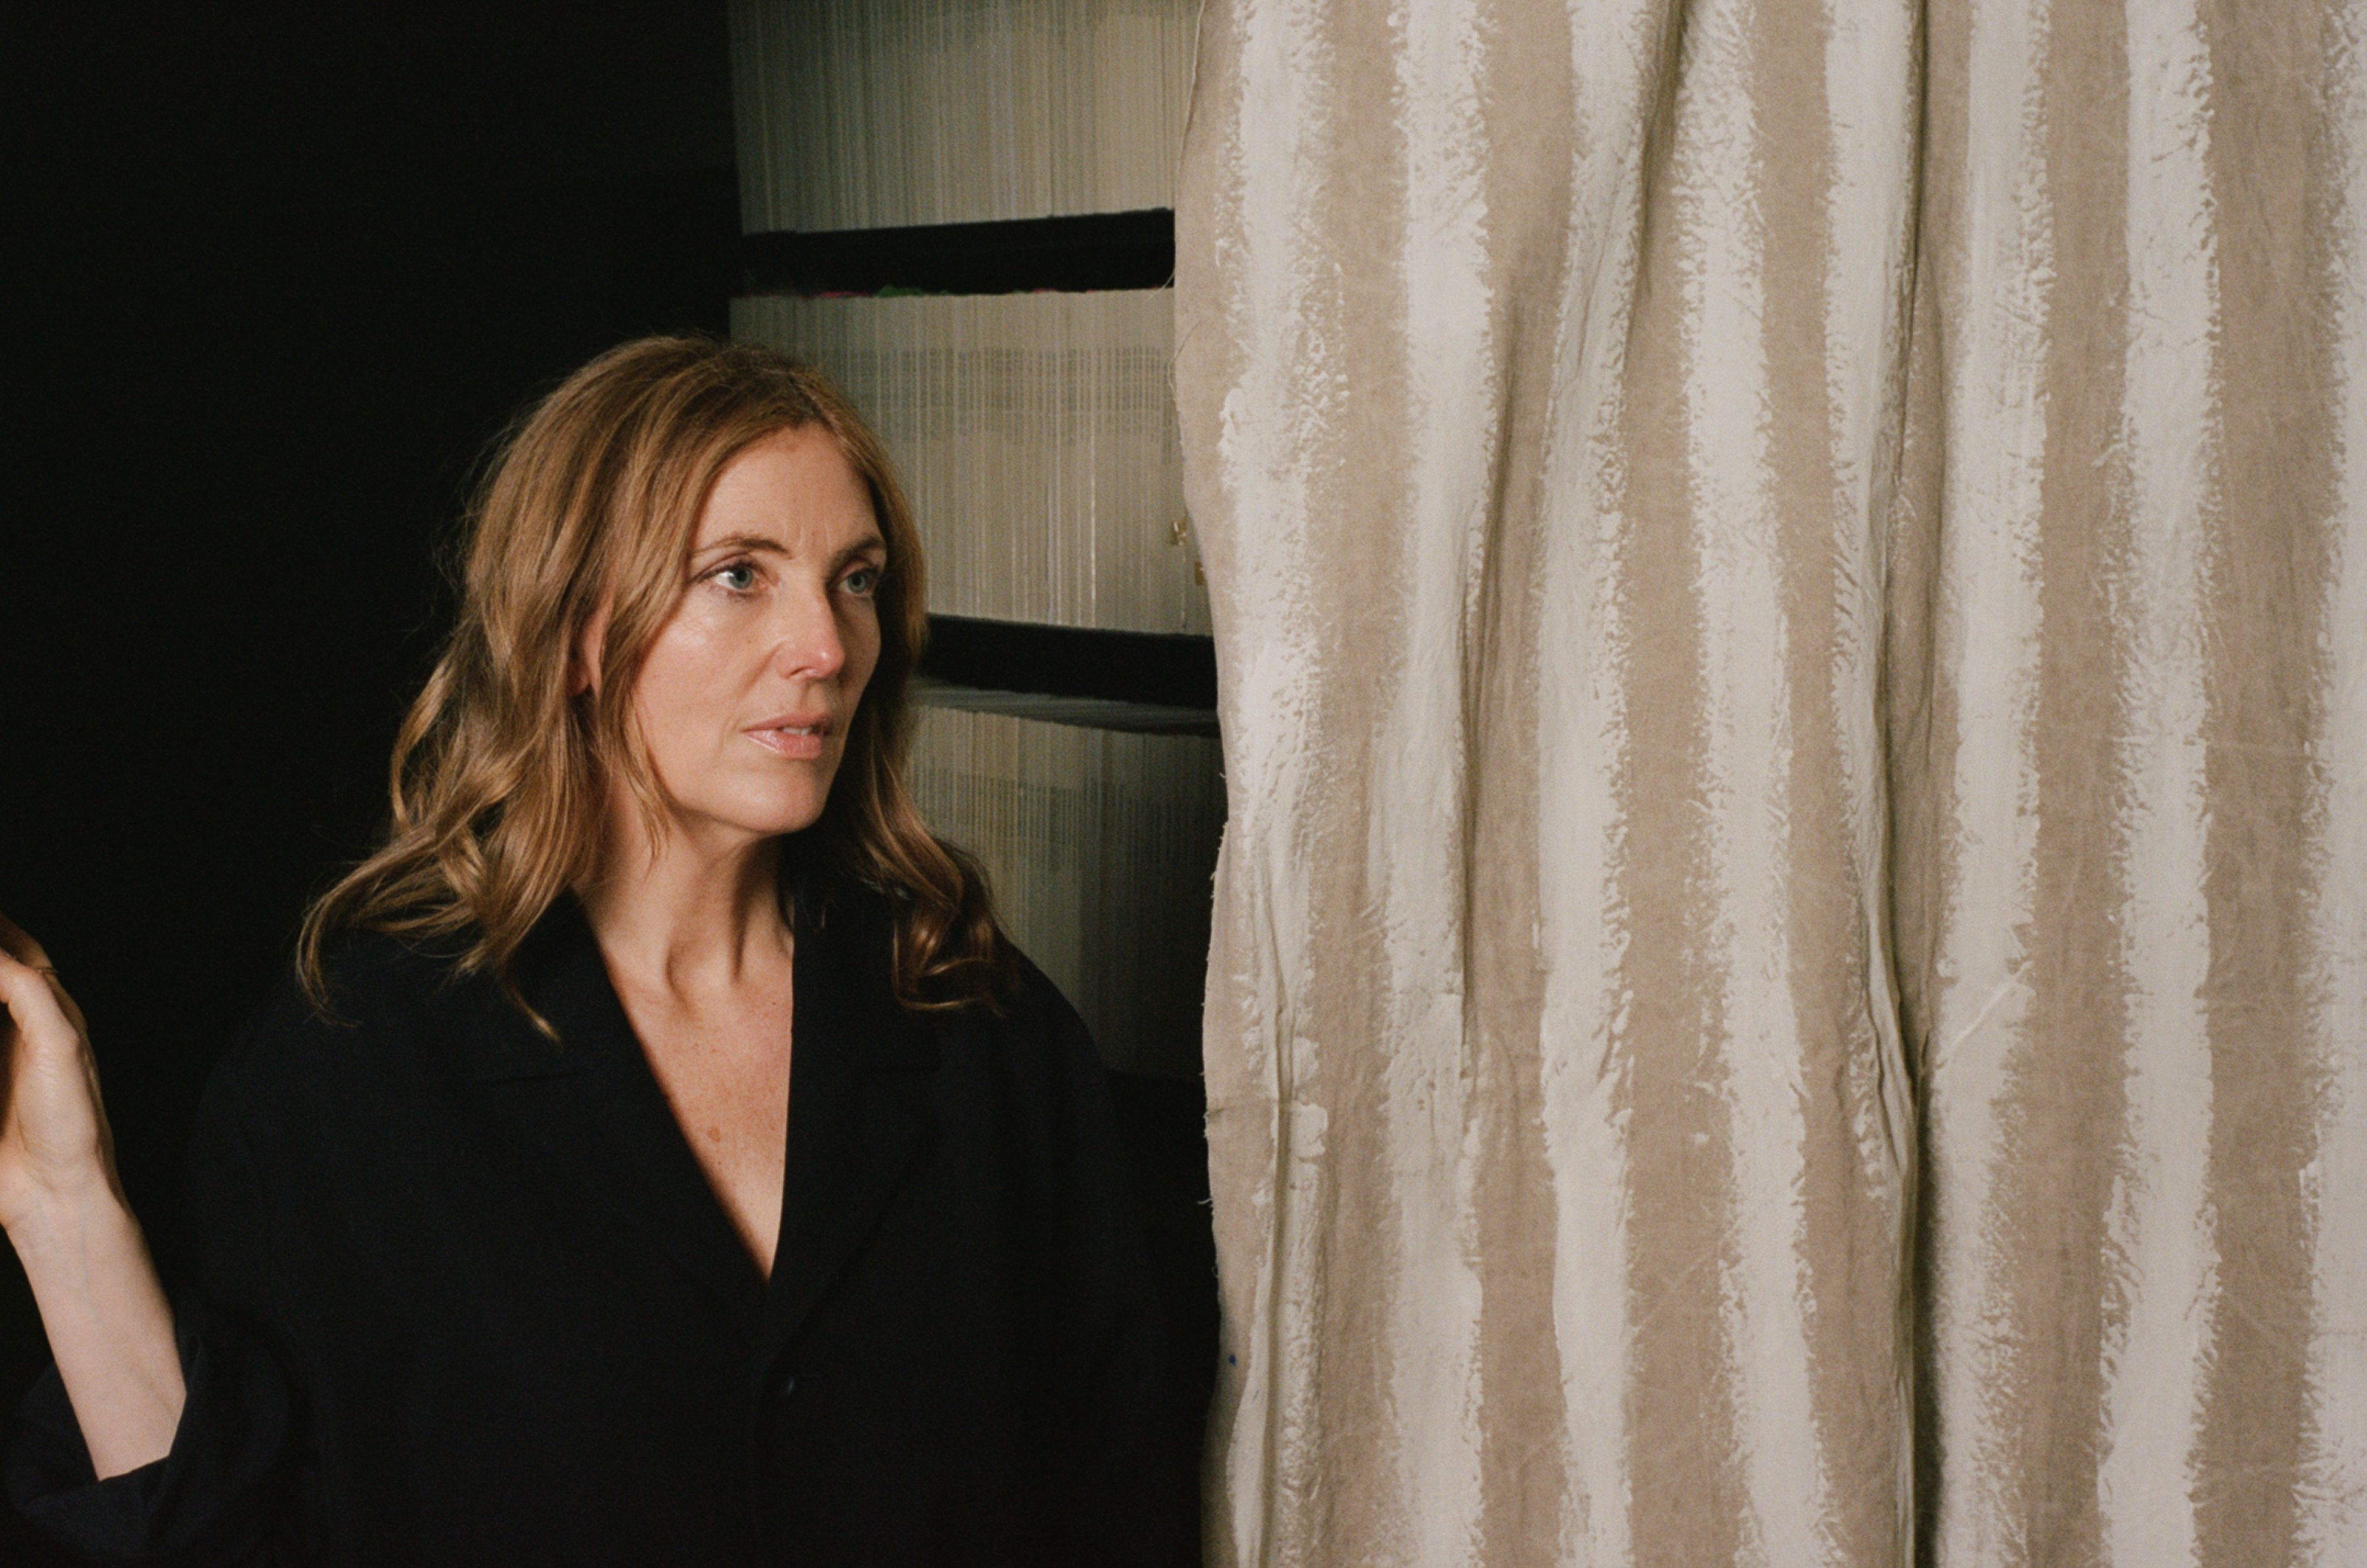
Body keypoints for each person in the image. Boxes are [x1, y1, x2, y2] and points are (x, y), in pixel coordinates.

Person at [0, 337, 1184, 1566]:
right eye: (738, 575)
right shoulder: (348, 1069)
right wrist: (58, 1202)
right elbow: (222, 1537)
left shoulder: (983, 1032)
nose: (828, 647)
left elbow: (1119, 1498)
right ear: (572, 630)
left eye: (855, 579)